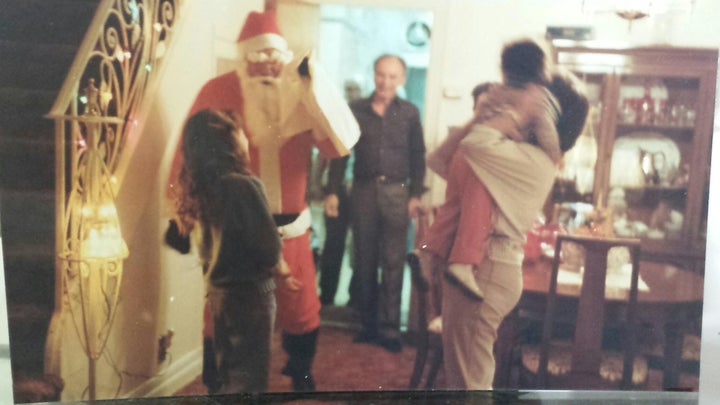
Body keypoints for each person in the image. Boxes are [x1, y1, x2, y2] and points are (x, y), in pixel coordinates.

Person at [166, 9, 360, 392]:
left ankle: (301, 372)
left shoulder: (303, 92)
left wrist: (315, 88)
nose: (268, 65)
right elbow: (187, 153)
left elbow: (336, 147)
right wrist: (179, 214)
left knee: (302, 305)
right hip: (234, 220)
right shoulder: (217, 90)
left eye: (275, 56)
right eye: (259, 56)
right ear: (245, 57)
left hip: (292, 223)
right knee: (223, 308)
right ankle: (215, 378)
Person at [429, 62, 589, 389]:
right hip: (486, 266)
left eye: (536, 97)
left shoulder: (531, 160)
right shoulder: (513, 152)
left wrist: (516, 113)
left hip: (487, 268)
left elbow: (474, 144)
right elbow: (440, 160)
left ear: (547, 114)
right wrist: (485, 114)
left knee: (469, 384)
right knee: (466, 380)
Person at [424, 39, 562, 301]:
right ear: (540, 70)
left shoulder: (495, 92)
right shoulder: (536, 98)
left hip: (463, 156)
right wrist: (552, 154)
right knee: (477, 214)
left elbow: (446, 153)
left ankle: (430, 250)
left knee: (455, 206)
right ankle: (463, 263)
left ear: (504, 68)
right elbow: (549, 139)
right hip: (487, 161)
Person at [171, 109, 282, 393]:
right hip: (252, 294)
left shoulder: (200, 187)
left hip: (219, 294)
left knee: (229, 368)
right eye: (241, 131)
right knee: (250, 376)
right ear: (229, 141)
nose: (246, 137)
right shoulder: (245, 185)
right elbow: (269, 251)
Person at [325, 54, 426, 353]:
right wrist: (332, 191)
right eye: (381, 75)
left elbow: (418, 156)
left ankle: (390, 329)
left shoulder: (409, 113)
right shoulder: (355, 110)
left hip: (397, 193)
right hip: (363, 192)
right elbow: (341, 153)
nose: (386, 82)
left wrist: (416, 195)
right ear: (374, 74)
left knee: (394, 262)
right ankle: (367, 325)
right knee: (364, 260)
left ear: (402, 80)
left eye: (393, 77)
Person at [318, 80, 361, 307]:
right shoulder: (338, 122)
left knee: (360, 247)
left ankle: (355, 297)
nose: (351, 95)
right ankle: (326, 297)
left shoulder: (365, 120)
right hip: (340, 190)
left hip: (362, 192)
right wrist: (328, 191)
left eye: (354, 91)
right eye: (349, 90)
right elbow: (329, 159)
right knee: (333, 245)